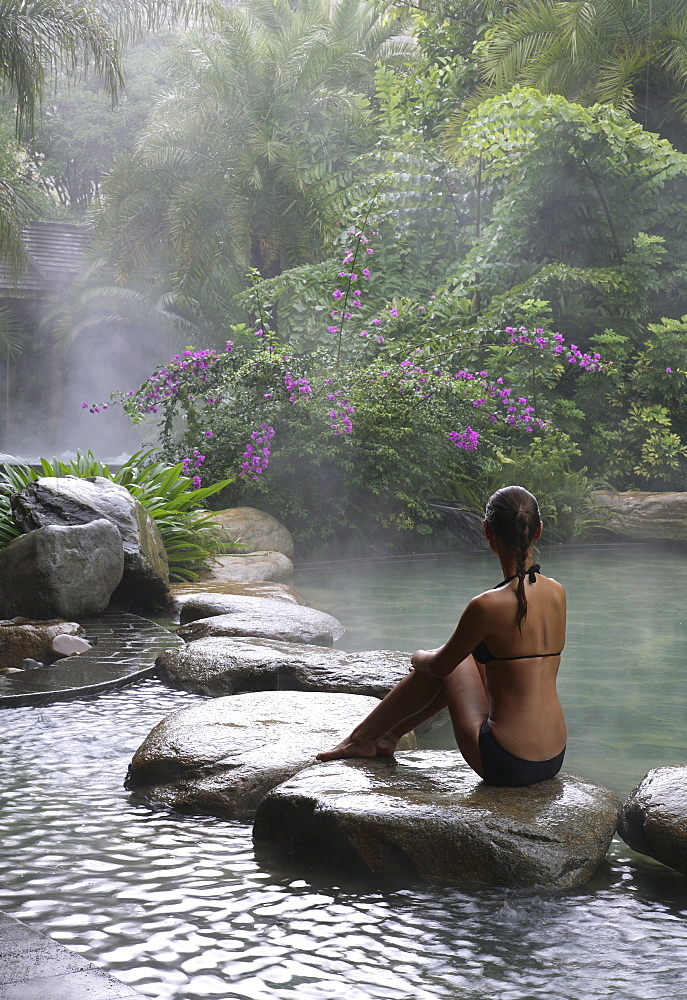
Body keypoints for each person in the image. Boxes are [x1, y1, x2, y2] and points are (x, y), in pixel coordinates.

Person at [317, 486, 567, 786]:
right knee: (471, 655)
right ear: (538, 531)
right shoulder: (557, 592)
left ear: (487, 531)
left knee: (447, 658)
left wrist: (418, 657)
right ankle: (386, 737)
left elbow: (440, 667)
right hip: (553, 758)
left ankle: (362, 738)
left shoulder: (486, 605)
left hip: (505, 761)